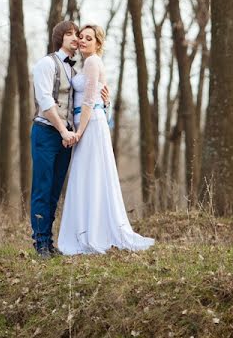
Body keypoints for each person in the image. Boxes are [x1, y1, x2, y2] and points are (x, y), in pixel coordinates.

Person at [57, 24, 154, 255]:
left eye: (88, 38)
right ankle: (88, 229)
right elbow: (101, 99)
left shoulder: (92, 62)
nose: (82, 41)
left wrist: (80, 131)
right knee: (90, 175)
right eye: (81, 37)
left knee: (91, 175)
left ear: (98, 44)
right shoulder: (87, 64)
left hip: (90, 125)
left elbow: (90, 100)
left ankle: (94, 233)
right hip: (92, 121)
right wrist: (106, 103)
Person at [29, 20, 109, 258]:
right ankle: (41, 243)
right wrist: (64, 131)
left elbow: (85, 97)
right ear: (59, 37)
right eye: (71, 34)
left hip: (67, 137)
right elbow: (45, 101)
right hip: (47, 132)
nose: (76, 38)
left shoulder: (76, 71)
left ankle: (50, 242)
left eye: (79, 34)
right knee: (42, 189)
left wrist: (105, 99)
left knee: (55, 191)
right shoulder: (46, 64)